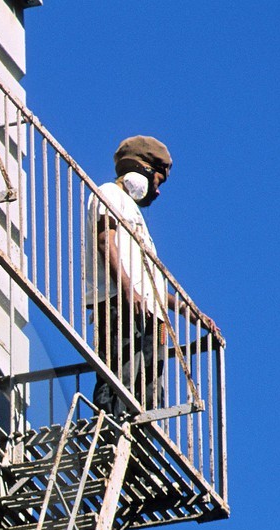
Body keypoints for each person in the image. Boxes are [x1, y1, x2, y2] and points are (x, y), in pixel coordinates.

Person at [83, 135, 219, 416]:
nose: (157, 192)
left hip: (152, 315)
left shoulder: (136, 217)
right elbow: (104, 241)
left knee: (150, 388)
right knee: (120, 377)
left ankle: (137, 442)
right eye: (159, 180)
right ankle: (112, 429)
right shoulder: (109, 193)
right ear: (143, 170)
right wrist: (128, 289)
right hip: (119, 302)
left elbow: (154, 287)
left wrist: (193, 314)